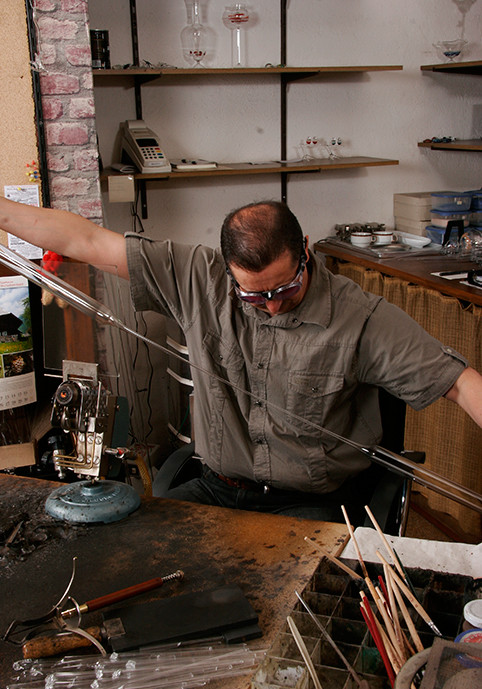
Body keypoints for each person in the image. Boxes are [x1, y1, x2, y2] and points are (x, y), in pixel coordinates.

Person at [1, 197, 481, 523]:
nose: (271, 305)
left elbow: (460, 383)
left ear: (305, 253)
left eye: (284, 288)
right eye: (253, 296)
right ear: (227, 270)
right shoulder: (197, 276)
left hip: (312, 506)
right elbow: (86, 240)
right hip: (217, 490)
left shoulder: (362, 318)